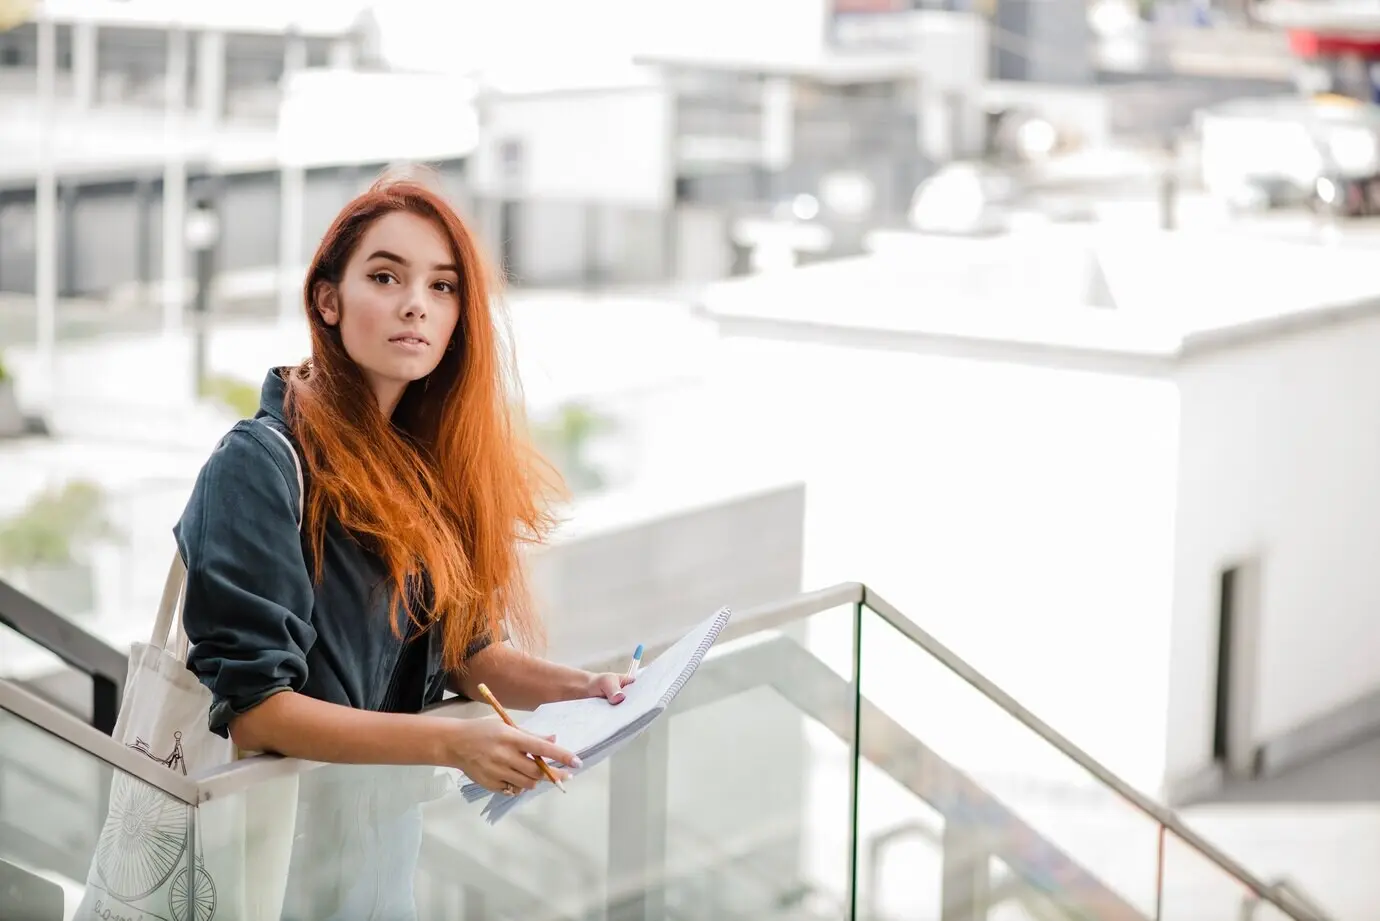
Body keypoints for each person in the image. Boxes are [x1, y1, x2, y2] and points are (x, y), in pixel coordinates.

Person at [174, 170, 631, 916]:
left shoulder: (425, 469)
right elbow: (257, 707)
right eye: (385, 276)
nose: (417, 302)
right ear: (328, 299)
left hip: (376, 857)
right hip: (270, 865)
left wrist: (584, 687)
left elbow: (468, 654)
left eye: (443, 286)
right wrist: (453, 745)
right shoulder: (260, 463)